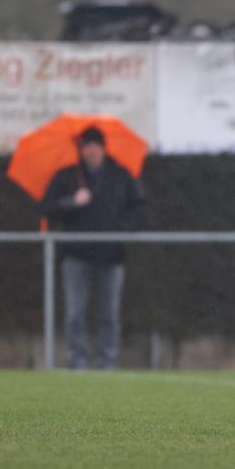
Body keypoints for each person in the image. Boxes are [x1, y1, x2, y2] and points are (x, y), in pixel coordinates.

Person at [39, 126, 146, 369]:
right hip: (75, 255)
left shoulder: (120, 175)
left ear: (103, 147)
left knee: (109, 314)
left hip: (111, 255)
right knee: (75, 313)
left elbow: (139, 208)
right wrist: (71, 202)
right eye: (86, 146)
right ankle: (77, 361)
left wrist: (121, 230)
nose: (91, 150)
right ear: (81, 149)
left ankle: (107, 361)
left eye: (95, 145)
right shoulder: (67, 176)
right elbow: (45, 208)